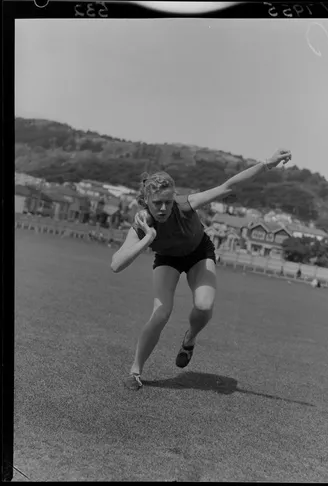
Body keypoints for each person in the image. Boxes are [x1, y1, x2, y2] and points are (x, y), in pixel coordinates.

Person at [111, 148, 292, 390]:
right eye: (157, 204)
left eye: (168, 201)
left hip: (199, 252)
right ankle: (135, 372)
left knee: (204, 306)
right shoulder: (141, 226)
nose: (164, 208)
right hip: (168, 258)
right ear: (146, 202)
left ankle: (190, 338)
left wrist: (267, 164)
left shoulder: (186, 204)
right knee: (160, 314)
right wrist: (147, 239)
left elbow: (228, 186)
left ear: (174, 196)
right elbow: (116, 265)